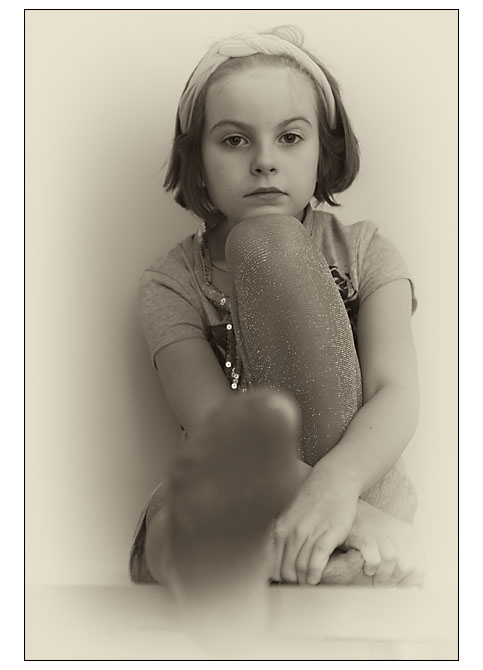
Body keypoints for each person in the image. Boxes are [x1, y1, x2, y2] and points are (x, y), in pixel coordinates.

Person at [129, 25, 426, 618]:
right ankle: (321, 559)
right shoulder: (171, 281)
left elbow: (396, 391)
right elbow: (214, 428)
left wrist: (338, 489)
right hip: (240, 491)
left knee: (271, 243)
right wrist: (353, 520)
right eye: (234, 140)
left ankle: (300, 555)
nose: (265, 161)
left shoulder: (366, 252)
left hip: (358, 481)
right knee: (164, 532)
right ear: (199, 162)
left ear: (323, 152)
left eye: (290, 137)